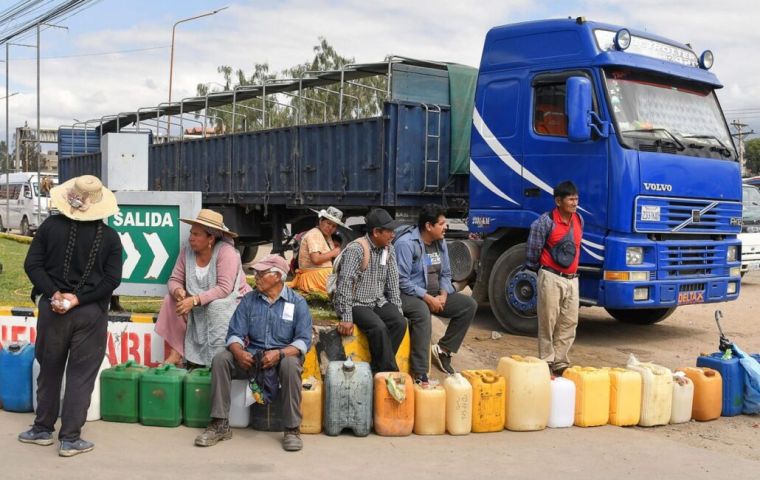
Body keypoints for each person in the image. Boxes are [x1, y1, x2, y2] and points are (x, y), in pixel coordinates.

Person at [20, 175, 123, 457]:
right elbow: (112, 280)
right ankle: (70, 438)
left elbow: (32, 265)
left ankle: (42, 429)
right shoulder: (111, 238)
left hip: (52, 311)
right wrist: (79, 298)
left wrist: (54, 294)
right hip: (89, 312)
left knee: (49, 369)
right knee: (80, 376)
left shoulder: (50, 227)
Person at [194, 254, 312, 452]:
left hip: (280, 358)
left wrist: (280, 354)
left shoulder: (297, 303)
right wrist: (238, 352)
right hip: (252, 357)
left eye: (261, 273)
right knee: (222, 359)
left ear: (277, 276)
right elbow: (234, 334)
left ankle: (292, 429)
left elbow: (302, 342)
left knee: (291, 364)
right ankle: (219, 424)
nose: (255, 276)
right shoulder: (249, 300)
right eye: (255, 272)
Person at [155, 209, 252, 367]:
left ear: (211, 238)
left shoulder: (226, 252)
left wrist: (194, 300)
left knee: (215, 306)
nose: (191, 238)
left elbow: (224, 288)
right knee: (170, 300)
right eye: (191, 233)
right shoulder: (187, 252)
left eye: (196, 235)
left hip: (231, 300)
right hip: (197, 300)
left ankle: (218, 357)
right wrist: (178, 291)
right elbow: (174, 279)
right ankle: (176, 353)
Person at [396, 204, 477, 382]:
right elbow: (401, 281)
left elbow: (446, 273)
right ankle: (420, 372)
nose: (445, 227)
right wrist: (427, 297)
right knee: (422, 312)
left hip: (434, 294)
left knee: (468, 305)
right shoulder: (406, 244)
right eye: (441, 223)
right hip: (408, 295)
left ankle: (443, 350)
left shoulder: (440, 243)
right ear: (428, 226)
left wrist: (443, 295)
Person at [333, 208, 406, 373]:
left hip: (377, 301)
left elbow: (393, 282)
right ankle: (388, 372)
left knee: (399, 323)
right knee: (378, 328)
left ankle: (377, 368)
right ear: (376, 232)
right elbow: (345, 284)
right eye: (389, 232)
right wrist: (346, 317)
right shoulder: (357, 249)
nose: (393, 235)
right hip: (355, 303)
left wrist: (397, 309)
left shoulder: (389, 249)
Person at [525, 181, 583, 376]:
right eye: (571, 199)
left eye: (576, 198)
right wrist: (539, 271)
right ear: (558, 201)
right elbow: (533, 250)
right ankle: (547, 361)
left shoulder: (579, 220)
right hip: (551, 276)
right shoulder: (545, 222)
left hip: (572, 279)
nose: (575, 203)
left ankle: (560, 361)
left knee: (569, 322)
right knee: (548, 321)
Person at [289, 206, 348, 294]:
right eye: (328, 223)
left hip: (321, 274)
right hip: (314, 276)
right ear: (321, 221)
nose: (330, 227)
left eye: (334, 226)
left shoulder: (327, 236)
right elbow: (316, 259)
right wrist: (334, 252)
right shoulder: (314, 234)